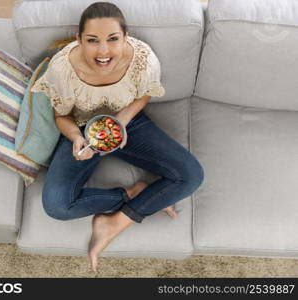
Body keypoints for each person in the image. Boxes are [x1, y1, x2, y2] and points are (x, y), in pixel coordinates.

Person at [30, 2, 204, 272]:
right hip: (83, 128)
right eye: (92, 40)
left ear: (125, 37)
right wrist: (76, 138)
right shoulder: (62, 68)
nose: (103, 51)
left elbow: (143, 94)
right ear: (79, 40)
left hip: (128, 123)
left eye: (113, 39)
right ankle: (133, 193)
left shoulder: (143, 59)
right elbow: (61, 116)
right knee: (56, 206)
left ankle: (115, 222)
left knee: (191, 175)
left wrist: (121, 121)